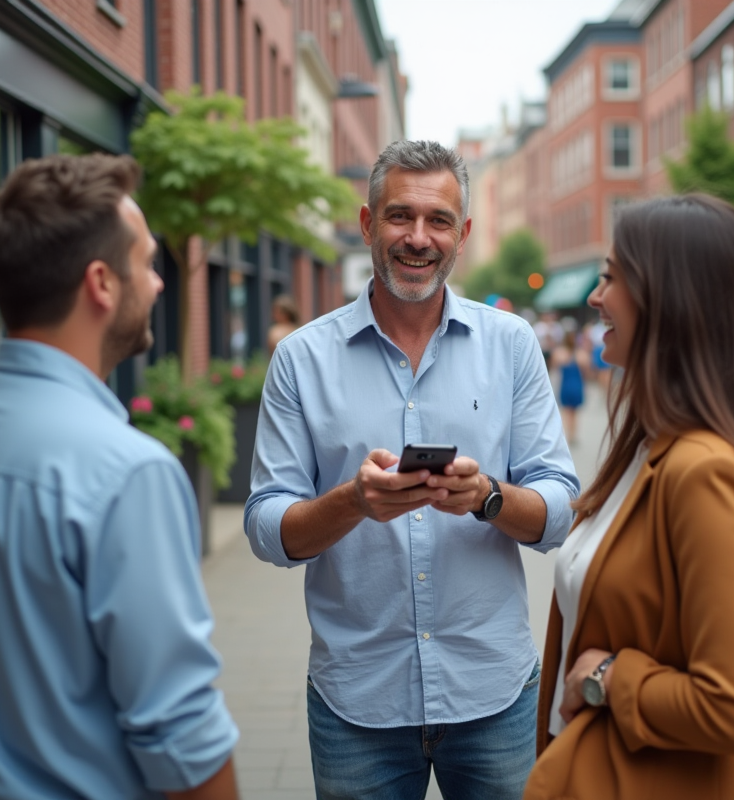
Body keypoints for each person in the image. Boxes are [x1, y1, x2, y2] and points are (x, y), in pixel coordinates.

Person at [0, 155, 240, 800]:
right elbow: (184, 734)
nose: (158, 283)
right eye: (147, 262)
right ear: (101, 282)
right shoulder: (129, 473)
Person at [245, 140, 580, 800]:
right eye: (400, 217)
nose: (418, 238)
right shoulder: (301, 359)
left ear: (464, 235)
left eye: (439, 221)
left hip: (494, 693)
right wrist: (353, 502)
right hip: (356, 701)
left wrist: (487, 497)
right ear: (368, 224)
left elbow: (560, 507)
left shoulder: (512, 346)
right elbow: (265, 528)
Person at [524, 195, 734, 800]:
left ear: (672, 296)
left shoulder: (704, 472)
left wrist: (606, 677)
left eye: (612, 276)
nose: (594, 296)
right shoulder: (651, 449)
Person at [550, 329, 587, 444]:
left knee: (567, 412)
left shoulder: (559, 353)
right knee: (574, 412)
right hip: (577, 384)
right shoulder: (581, 353)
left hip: (565, 384)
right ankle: (572, 434)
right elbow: (586, 369)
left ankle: (569, 434)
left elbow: (553, 367)